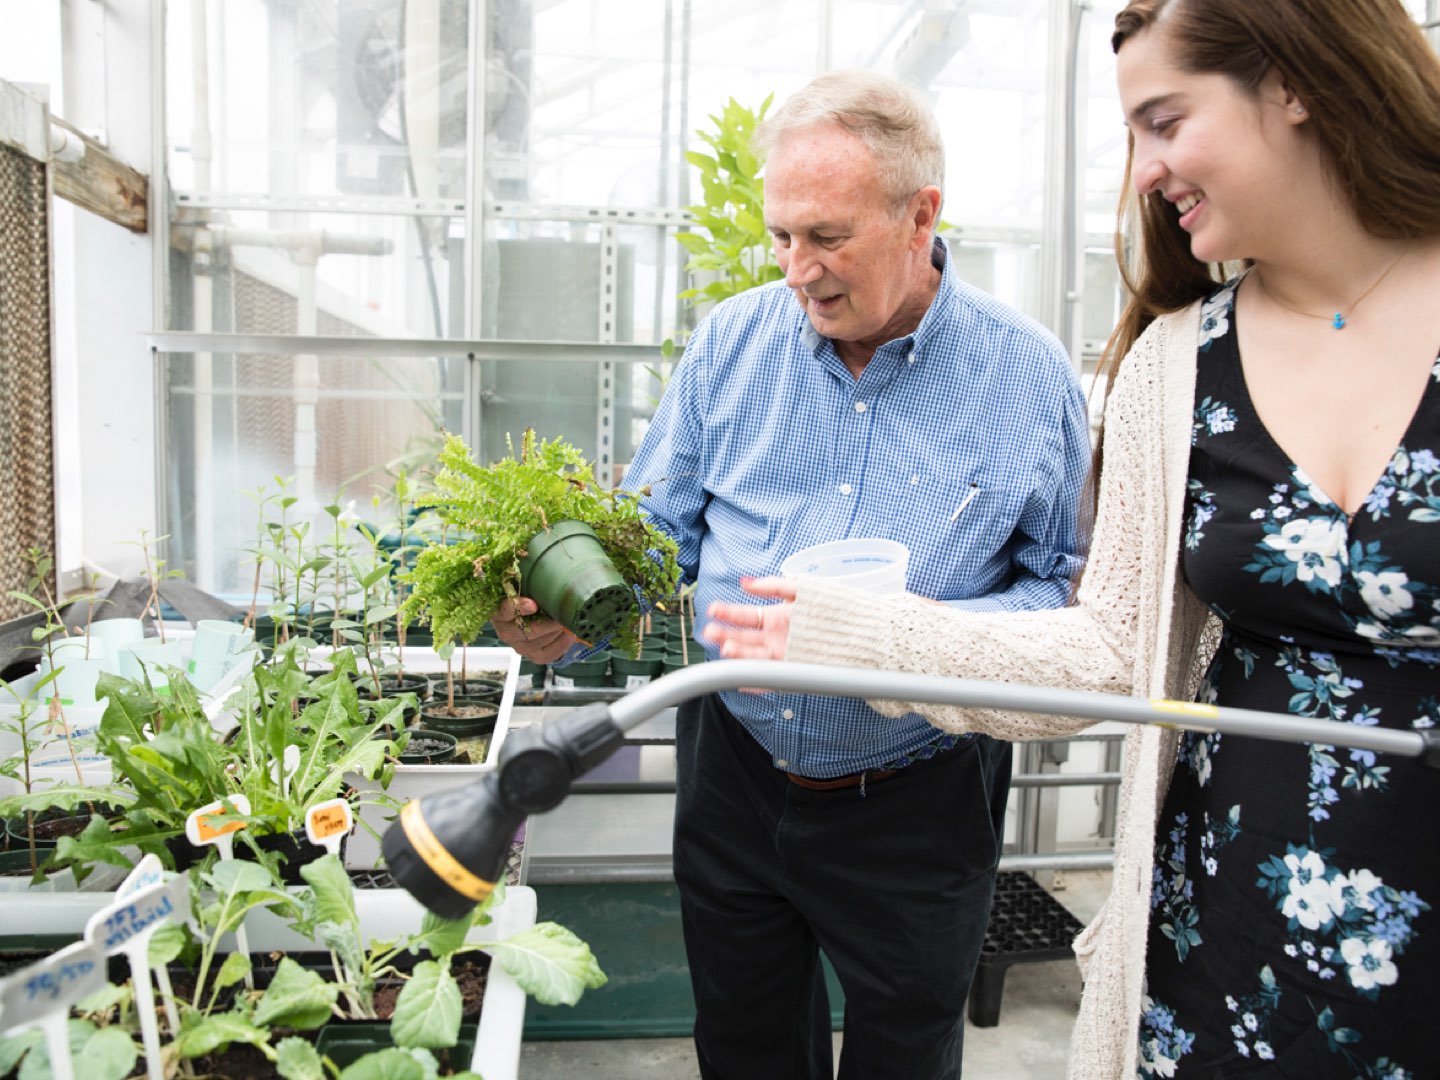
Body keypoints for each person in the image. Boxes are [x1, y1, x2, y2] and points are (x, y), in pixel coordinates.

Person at [704, 3, 1440, 1078]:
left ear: (1294, 84)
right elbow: (1108, 653)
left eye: (1164, 119)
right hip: (1226, 928)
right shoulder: (1178, 365)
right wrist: (866, 637)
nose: (1141, 171)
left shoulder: (1021, 370)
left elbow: (1050, 579)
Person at [491, 70, 1091, 1079]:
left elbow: (1061, 593)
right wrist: (569, 617)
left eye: (826, 236)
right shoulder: (734, 345)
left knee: (907, 1047)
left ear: (919, 215)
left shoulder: (1026, 379)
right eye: (780, 236)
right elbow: (654, 536)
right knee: (745, 1046)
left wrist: (907, 633)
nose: (797, 269)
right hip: (736, 773)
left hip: (920, 793)